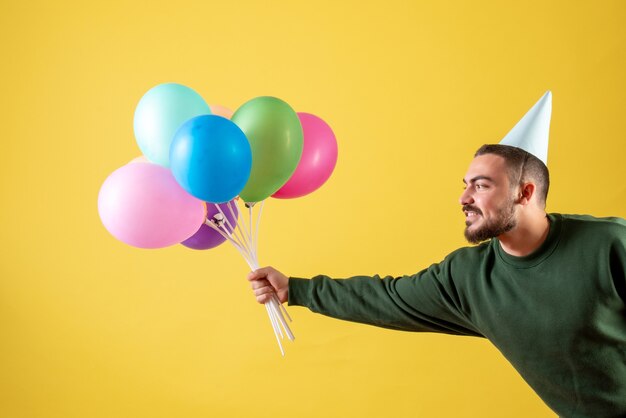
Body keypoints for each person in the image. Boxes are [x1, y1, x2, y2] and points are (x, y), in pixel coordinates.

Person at [247, 93, 626, 418]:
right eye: (465, 186)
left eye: (481, 185)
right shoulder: (467, 277)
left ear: (525, 194)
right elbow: (388, 298)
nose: (464, 199)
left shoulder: (609, 245)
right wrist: (294, 289)